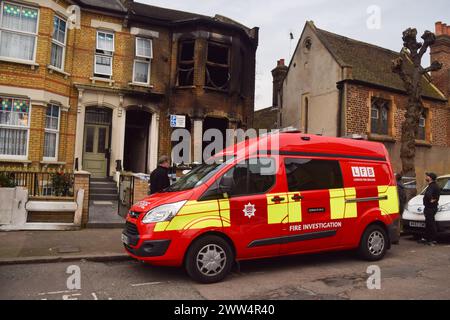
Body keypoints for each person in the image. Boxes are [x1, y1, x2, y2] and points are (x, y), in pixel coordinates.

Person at [419, 172, 441, 246]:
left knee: (431, 223)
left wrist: (431, 199)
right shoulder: (434, 185)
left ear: (430, 178)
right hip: (431, 207)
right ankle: (426, 238)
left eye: (427, 176)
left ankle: (433, 240)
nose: (426, 177)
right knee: (428, 223)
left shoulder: (432, 186)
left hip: (430, 208)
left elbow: (428, 194)